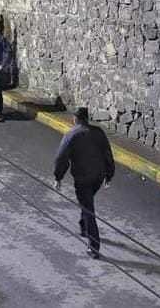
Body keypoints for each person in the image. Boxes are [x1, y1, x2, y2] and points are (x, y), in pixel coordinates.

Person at [54, 107, 115, 260]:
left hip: (83, 178)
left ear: (75, 119)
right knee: (87, 202)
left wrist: (58, 177)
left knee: (88, 209)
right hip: (98, 177)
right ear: (87, 118)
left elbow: (61, 158)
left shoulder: (71, 135)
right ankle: (83, 226)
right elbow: (108, 153)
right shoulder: (98, 132)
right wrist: (109, 174)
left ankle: (94, 247)